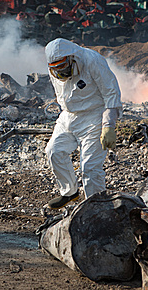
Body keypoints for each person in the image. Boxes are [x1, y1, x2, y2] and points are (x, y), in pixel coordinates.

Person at [44, 38, 122, 209]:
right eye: (55, 68)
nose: (60, 71)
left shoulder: (92, 60)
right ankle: (70, 192)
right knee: (53, 151)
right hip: (68, 115)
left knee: (89, 167)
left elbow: (111, 93)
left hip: (93, 115)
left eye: (63, 66)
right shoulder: (54, 67)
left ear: (71, 58)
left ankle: (96, 207)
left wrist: (108, 125)